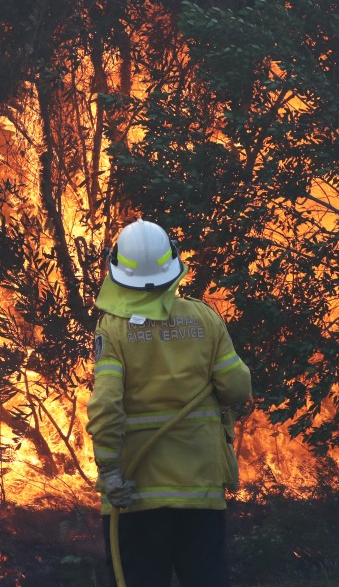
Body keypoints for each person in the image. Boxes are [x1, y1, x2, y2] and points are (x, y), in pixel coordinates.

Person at [86, 218, 253, 587]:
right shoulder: (205, 317)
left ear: (116, 267)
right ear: (173, 261)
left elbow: (106, 407)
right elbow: (238, 388)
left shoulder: (112, 328)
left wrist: (110, 470)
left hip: (135, 496)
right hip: (200, 491)